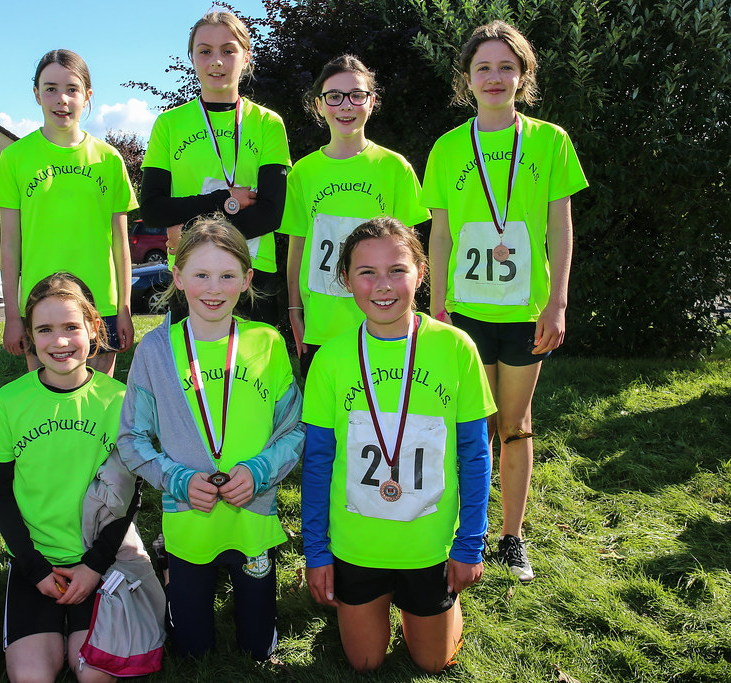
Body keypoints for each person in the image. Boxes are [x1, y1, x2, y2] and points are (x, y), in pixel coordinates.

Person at [423, 20, 589, 582]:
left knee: (514, 424)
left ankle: (511, 536)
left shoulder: (550, 140)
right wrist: (437, 305)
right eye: (483, 67)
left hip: (525, 310)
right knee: (470, 426)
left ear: (524, 75)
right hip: (464, 312)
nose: (495, 77)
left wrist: (557, 302)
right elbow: (439, 235)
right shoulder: (447, 148)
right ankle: (457, 526)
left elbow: (561, 230)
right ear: (466, 78)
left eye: (506, 66)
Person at [301, 218, 494, 673]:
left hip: (427, 545)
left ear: (421, 273)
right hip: (357, 544)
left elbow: (475, 453)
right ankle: (369, 604)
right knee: (365, 662)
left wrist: (469, 544)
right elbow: (318, 462)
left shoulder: (456, 348)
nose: (382, 286)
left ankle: (430, 609)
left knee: (432, 662)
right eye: (366, 272)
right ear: (346, 279)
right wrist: (316, 550)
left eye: (397, 270)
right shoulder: (330, 359)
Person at [117, 215, 304, 660]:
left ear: (247, 279)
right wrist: (177, 479)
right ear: (178, 278)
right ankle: (173, 578)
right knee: (191, 649)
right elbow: (131, 438)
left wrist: (260, 471)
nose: (213, 288)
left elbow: (295, 429)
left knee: (257, 649)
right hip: (188, 517)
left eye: (226, 275)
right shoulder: (156, 350)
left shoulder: (267, 342)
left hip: (252, 515)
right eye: (200, 275)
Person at [0, 273, 137, 683]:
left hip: (99, 557)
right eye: (45, 330)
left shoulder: (118, 400)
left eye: (71, 327)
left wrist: (95, 564)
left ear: (93, 328)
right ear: (31, 338)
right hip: (37, 562)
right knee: (31, 675)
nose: (60, 341)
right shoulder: (9, 401)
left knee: (92, 673)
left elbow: (127, 495)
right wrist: (33, 567)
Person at [0, 49, 138, 377]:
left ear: (87, 95)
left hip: (103, 304)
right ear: (36, 94)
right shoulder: (14, 158)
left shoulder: (108, 159)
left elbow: (121, 245)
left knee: (100, 408)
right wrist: (13, 315)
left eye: (72, 89)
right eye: (51, 88)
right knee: (45, 408)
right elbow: (9, 246)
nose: (62, 99)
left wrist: (125, 309)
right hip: (38, 306)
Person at [281, 55, 429, 377]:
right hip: (321, 327)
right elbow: (297, 246)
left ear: (371, 102)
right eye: (334, 96)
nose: (345, 105)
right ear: (319, 105)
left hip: (384, 323)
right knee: (324, 424)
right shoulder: (302, 173)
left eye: (356, 95)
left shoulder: (395, 168)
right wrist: (294, 308)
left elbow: (411, 253)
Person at [140, 11, 291, 326]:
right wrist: (222, 200)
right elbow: (153, 210)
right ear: (193, 58)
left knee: (252, 371)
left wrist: (190, 230)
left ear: (246, 57)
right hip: (190, 272)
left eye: (228, 50)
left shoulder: (267, 123)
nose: (216, 61)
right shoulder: (168, 124)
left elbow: (270, 214)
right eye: (205, 51)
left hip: (252, 272)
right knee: (192, 370)